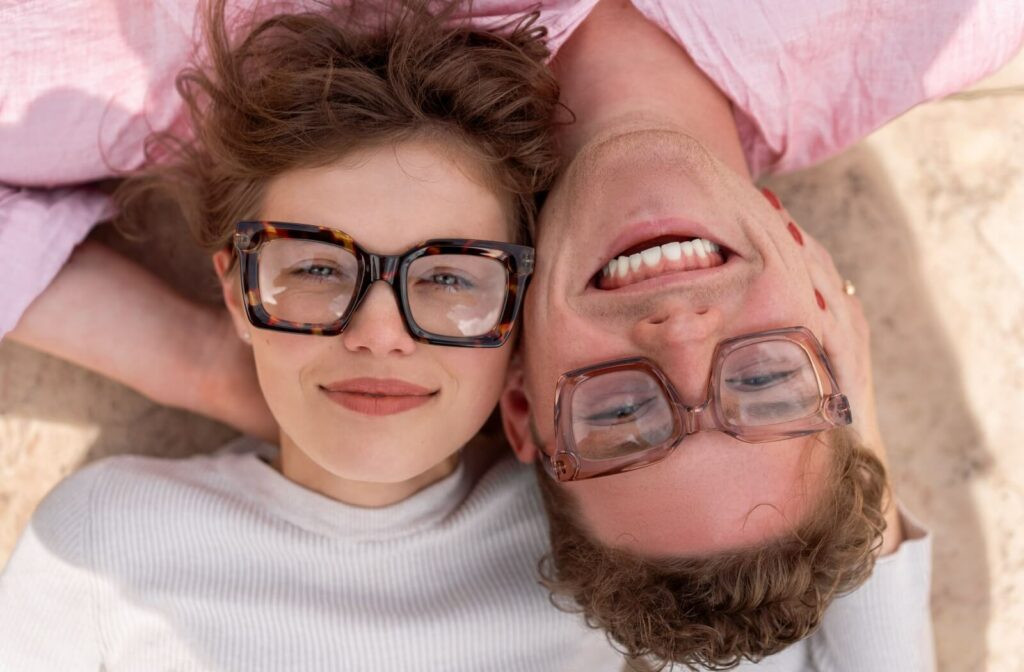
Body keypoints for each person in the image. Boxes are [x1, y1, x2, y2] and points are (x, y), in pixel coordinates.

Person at [0, 3, 625, 670]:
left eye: (446, 280)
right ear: (237, 291)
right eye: (318, 268)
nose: (379, 333)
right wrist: (200, 361)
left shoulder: (607, 527)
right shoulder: (105, 535)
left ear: (519, 311)